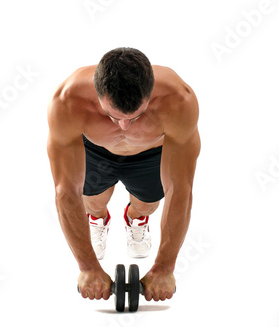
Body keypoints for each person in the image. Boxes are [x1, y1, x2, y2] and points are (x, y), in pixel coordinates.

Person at [47, 47, 200, 302]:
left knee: (147, 205)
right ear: (97, 94)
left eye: (136, 116)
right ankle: (97, 219)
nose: (124, 126)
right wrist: (88, 268)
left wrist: (164, 268)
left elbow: (180, 188)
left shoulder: (178, 100)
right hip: (96, 152)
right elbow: (65, 190)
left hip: (150, 154)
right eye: (112, 116)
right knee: (92, 201)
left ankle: (136, 219)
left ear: (150, 93)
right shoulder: (67, 101)